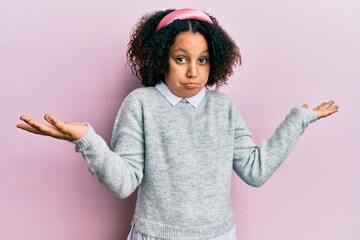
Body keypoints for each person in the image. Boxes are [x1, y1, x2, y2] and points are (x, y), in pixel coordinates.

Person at [17, 8, 339, 240]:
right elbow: (124, 182)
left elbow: (255, 171)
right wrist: (87, 139)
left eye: (203, 60)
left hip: (219, 235)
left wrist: (298, 121)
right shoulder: (140, 105)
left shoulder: (223, 108)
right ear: (160, 58)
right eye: (181, 58)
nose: (193, 73)